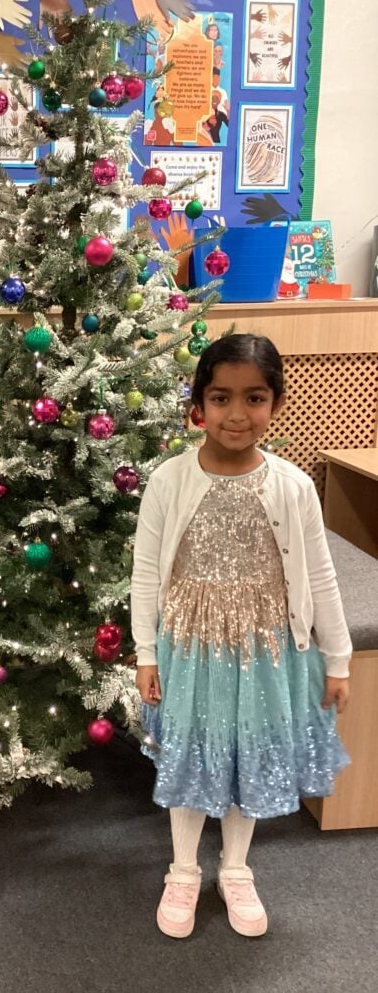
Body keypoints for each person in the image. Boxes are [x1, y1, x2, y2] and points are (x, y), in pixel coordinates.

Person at [131, 334, 351, 941]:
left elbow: (322, 575)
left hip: (264, 648)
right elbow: (147, 572)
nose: (236, 413)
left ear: (275, 403)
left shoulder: (294, 486)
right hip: (192, 645)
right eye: (221, 397)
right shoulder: (168, 481)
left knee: (245, 757)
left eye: (254, 397)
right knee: (193, 755)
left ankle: (234, 868)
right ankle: (181, 869)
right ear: (198, 403)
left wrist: (339, 659)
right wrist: (146, 653)